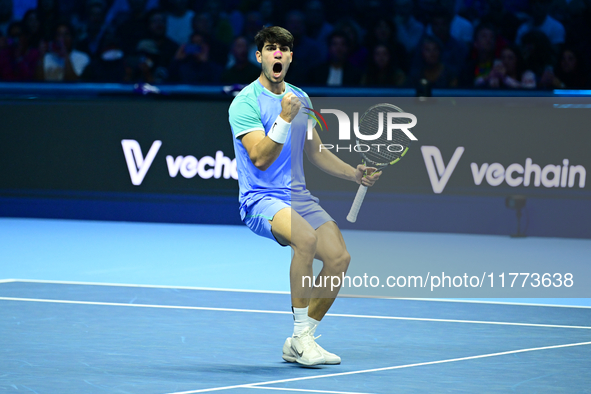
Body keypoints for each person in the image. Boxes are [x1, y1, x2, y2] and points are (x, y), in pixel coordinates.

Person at [228, 26, 380, 366]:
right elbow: (261, 158)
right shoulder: (245, 103)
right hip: (260, 199)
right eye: (270, 48)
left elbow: (317, 152)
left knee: (339, 257)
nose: (277, 54)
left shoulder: (302, 98)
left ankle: (302, 338)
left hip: (298, 195)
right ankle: (300, 339)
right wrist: (283, 117)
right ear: (260, 56)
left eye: (283, 49)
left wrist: (353, 173)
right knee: (306, 240)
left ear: (291, 56)